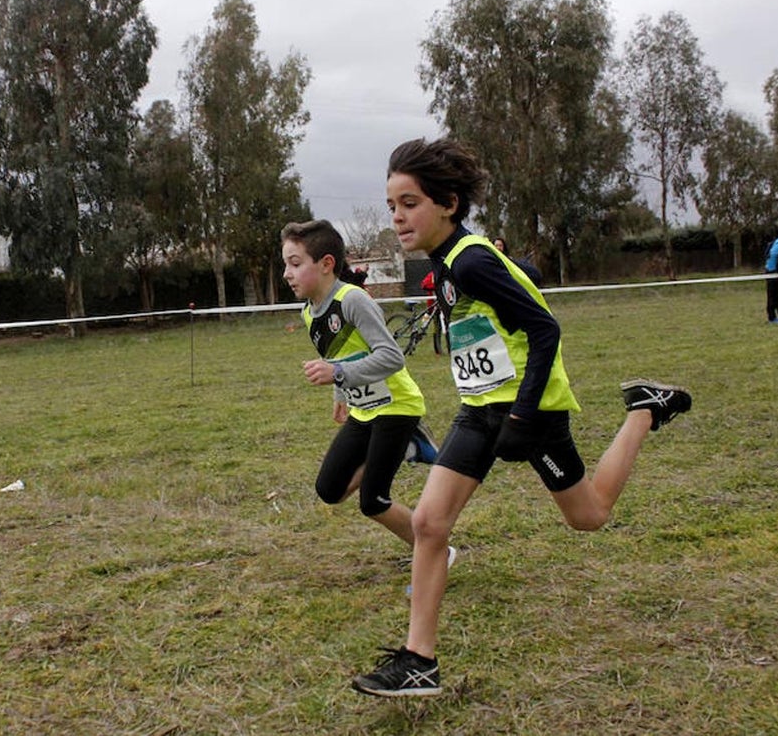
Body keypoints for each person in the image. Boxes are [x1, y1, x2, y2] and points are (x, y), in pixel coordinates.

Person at [350, 138, 692, 698]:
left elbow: (544, 328)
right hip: (480, 410)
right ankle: (419, 661)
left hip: (531, 408)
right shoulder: (447, 264)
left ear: (448, 204)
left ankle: (645, 412)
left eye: (408, 203)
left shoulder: (474, 260)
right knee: (430, 525)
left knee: (589, 516)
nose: (396, 217)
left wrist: (526, 414)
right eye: (392, 205)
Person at [281, 219, 440, 553]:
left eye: (295, 264)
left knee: (373, 500)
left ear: (326, 264)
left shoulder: (353, 300)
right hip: (363, 410)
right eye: (286, 265)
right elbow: (338, 353)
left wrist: (338, 374)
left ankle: (436, 552)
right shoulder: (309, 313)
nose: (287, 273)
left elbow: (392, 358)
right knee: (330, 490)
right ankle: (409, 447)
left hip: (397, 406)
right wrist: (340, 392)